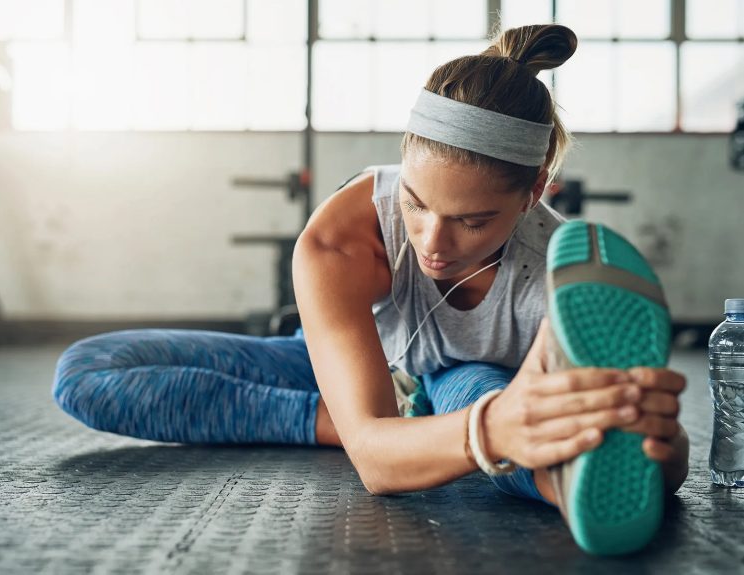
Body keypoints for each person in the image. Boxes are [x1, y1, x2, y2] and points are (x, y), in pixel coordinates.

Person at [52, 24, 689, 556]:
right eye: (415, 203)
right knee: (87, 372)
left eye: (472, 221)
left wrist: (657, 445)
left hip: (470, 387)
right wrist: (378, 431)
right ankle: (376, 424)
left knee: (489, 398)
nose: (433, 242)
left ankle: (557, 477)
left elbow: (619, 437)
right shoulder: (341, 236)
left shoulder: (558, 275)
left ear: (534, 188)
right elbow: (378, 466)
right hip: (342, 367)